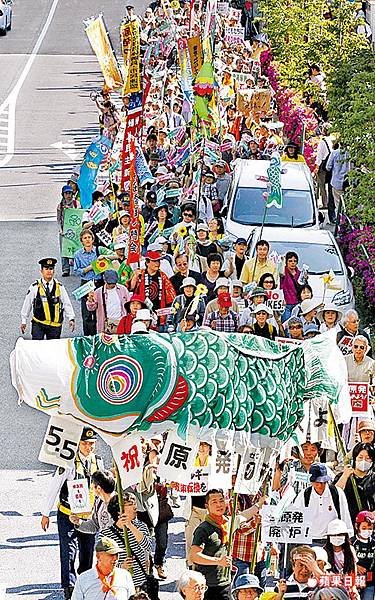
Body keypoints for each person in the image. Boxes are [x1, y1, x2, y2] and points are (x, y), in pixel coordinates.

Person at [41, 428, 104, 599]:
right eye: (84, 443)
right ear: (77, 443)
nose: (88, 447)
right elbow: (54, 486)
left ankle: (83, 583)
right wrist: (45, 513)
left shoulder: (98, 462)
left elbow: (102, 490)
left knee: (87, 553)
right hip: (67, 515)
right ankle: (69, 587)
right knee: (68, 552)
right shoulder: (67, 463)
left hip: (88, 518)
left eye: (91, 444)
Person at [102, 493, 152, 589]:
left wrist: (130, 526)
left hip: (140, 584)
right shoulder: (106, 535)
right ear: (119, 511)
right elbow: (104, 563)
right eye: (130, 504)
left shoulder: (141, 526)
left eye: (134, 503)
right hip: (119, 585)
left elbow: (148, 546)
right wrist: (122, 566)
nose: (135, 507)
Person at [293, 463, 353, 544]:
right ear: (312, 482)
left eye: (324, 482)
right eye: (317, 483)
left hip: (333, 540)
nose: (321, 485)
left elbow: (345, 515)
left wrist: (349, 537)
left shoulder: (337, 493)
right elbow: (296, 518)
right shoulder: (304, 495)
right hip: (310, 539)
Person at [190, 489, 232, 600]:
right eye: (214, 502)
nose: (219, 504)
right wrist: (218, 561)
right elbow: (194, 556)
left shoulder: (228, 523)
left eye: (221, 500)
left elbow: (243, 517)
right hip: (207, 585)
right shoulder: (203, 529)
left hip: (225, 584)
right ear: (206, 506)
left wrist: (260, 503)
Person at [21, 258, 75, 339]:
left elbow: (66, 303)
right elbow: (27, 303)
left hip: (55, 326)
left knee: (53, 350)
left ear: (54, 271)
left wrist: (71, 318)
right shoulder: (35, 287)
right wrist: (24, 321)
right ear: (41, 271)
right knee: (37, 349)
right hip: (39, 324)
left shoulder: (60, 287)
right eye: (46, 269)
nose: (49, 271)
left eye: (51, 268)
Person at [71, 537, 135, 600]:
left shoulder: (125, 576)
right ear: (98, 556)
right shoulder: (84, 579)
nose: (115, 558)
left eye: (117, 554)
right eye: (111, 554)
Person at [129, 250, 176, 330]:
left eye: (158, 261)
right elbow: (131, 288)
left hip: (159, 312)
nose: (157, 263)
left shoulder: (163, 276)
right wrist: (135, 277)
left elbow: (171, 295)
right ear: (147, 263)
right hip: (143, 313)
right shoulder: (141, 274)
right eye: (154, 261)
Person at [334, 443, 375, 523]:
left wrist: (371, 516)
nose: (364, 461)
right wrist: (345, 476)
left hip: (369, 524)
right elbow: (334, 495)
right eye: (360, 457)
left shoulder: (373, 478)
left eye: (368, 458)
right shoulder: (344, 476)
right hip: (347, 522)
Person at [185, 442, 211, 567]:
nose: (202, 448)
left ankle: (204, 567)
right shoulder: (190, 462)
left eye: (205, 445)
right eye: (200, 445)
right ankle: (190, 566)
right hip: (193, 508)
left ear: (210, 448)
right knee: (190, 539)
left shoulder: (215, 463)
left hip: (208, 511)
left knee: (207, 541)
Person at [73, 229, 102, 336]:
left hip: (98, 282)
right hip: (86, 283)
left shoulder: (99, 251)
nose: (87, 240)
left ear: (93, 239)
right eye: (85, 238)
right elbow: (76, 271)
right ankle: (88, 336)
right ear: (82, 241)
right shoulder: (78, 254)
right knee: (87, 313)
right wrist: (87, 269)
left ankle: (98, 335)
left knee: (99, 311)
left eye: (89, 237)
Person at [70, 470, 116, 534]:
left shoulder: (120, 504)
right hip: (105, 542)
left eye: (93, 483)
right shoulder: (99, 502)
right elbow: (95, 526)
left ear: (98, 488)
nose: (91, 486)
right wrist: (79, 522)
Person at [86, 270, 131, 334]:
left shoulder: (123, 289)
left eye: (114, 283)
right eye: (110, 283)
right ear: (105, 281)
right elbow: (91, 308)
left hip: (121, 322)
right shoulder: (98, 292)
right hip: (106, 324)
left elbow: (129, 304)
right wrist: (90, 300)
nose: (112, 285)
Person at [351, 511, 375, 600]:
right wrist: (356, 566)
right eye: (364, 528)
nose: (367, 531)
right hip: (354, 581)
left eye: (370, 528)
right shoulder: (351, 542)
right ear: (357, 526)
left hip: (370, 582)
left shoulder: (374, 541)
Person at [57, 184, 80, 277]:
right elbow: (58, 219)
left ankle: (77, 267)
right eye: (66, 193)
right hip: (64, 231)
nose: (68, 195)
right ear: (63, 194)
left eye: (70, 193)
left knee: (77, 248)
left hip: (75, 230)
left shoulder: (76, 203)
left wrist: (71, 209)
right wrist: (60, 230)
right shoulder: (60, 206)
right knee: (64, 250)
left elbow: (79, 213)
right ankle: (65, 269)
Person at [325, 143, 349, 222]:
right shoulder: (350, 153)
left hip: (336, 180)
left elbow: (328, 167)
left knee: (337, 203)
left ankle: (339, 221)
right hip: (347, 181)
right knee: (346, 203)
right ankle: (345, 220)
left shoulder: (334, 153)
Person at [279, 252, 302, 322]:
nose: (292, 263)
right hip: (286, 304)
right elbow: (280, 273)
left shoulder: (300, 273)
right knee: (286, 326)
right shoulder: (283, 271)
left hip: (297, 304)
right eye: (290, 261)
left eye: (295, 261)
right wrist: (282, 261)